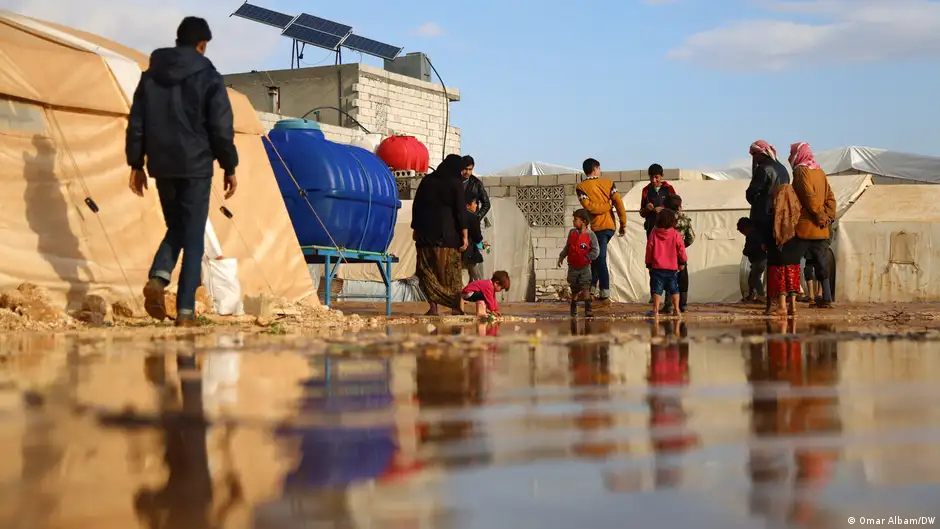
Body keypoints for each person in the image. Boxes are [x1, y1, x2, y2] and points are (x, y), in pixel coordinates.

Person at [127, 17, 238, 328]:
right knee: (193, 235)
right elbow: (220, 126)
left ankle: (159, 278)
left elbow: (137, 122)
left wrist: (136, 163)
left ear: (178, 41)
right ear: (202, 45)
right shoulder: (209, 77)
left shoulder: (150, 76)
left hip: (161, 165)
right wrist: (229, 165)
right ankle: (186, 310)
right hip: (197, 165)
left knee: (177, 224)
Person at [411, 154, 469, 316]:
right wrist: (465, 236)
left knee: (428, 272)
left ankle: (434, 307)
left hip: (425, 236)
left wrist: (415, 228)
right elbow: (460, 211)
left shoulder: (427, 181)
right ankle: (456, 307)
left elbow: (417, 207)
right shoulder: (455, 183)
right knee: (451, 275)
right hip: (447, 238)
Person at [790, 142, 836, 309]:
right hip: (822, 228)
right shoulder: (820, 171)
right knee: (821, 263)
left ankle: (790, 301)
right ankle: (826, 298)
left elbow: (808, 196)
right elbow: (830, 197)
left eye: (792, 152)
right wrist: (828, 216)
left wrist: (819, 215)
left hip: (805, 227)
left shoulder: (801, 171)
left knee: (793, 261)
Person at [575, 158, 626, 302]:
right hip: (610, 226)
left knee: (599, 258)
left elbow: (590, 207)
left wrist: (606, 206)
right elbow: (619, 204)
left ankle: (604, 291)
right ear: (596, 168)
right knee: (597, 257)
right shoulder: (608, 183)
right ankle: (592, 288)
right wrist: (623, 224)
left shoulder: (581, 187)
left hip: (598, 228)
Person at [765, 180, 803, 317]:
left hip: (778, 250)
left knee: (780, 274)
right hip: (795, 249)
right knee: (792, 274)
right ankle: (793, 306)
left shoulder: (774, 214)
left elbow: (769, 232)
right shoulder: (799, 212)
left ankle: (781, 306)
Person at [745, 140, 790, 248]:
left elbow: (752, 194)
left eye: (754, 153)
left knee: (761, 256)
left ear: (762, 153)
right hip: (781, 217)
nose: (753, 157)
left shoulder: (763, 169)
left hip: (764, 218)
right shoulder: (783, 169)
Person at [557, 209, 601, 318]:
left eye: (575, 219)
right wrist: (562, 256)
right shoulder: (572, 233)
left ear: (584, 222)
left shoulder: (591, 235)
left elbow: (596, 251)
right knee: (574, 288)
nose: (573, 222)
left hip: (585, 267)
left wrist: (586, 257)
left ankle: (588, 309)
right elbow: (568, 246)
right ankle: (573, 307)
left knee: (585, 286)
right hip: (572, 266)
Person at [645, 209, 687, 318]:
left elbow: (649, 248)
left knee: (656, 290)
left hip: (657, 267)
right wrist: (682, 262)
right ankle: (677, 310)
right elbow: (681, 249)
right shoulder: (676, 234)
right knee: (674, 289)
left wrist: (648, 263)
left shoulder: (654, 233)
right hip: (672, 267)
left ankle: (655, 310)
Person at [663, 195, 694, 313]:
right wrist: (682, 246)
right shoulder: (684, 219)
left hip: (667, 253)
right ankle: (683, 305)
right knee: (683, 278)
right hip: (680, 253)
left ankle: (669, 305)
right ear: (679, 206)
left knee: (669, 277)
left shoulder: (664, 219)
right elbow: (691, 237)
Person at [639, 164, 677, 238]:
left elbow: (676, 209)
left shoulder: (669, 189)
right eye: (651, 177)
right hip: (651, 230)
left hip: (667, 230)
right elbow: (642, 213)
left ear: (662, 175)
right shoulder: (645, 190)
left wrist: (663, 209)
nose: (653, 180)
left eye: (656, 177)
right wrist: (646, 209)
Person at [737, 217, 767, 302]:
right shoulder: (758, 234)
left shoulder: (751, 236)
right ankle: (752, 295)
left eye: (743, 232)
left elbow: (747, 249)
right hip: (760, 259)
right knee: (752, 278)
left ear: (746, 228)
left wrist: (745, 251)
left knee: (755, 278)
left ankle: (761, 296)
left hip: (759, 260)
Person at [462, 198, 488, 282]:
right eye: (474, 203)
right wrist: (482, 244)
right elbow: (477, 237)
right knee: (478, 279)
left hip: (462, 252)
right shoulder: (473, 217)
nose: (476, 205)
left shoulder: (459, 216)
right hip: (472, 252)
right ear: (468, 206)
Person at [460, 155, 490, 221]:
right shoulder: (455, 182)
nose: (467, 172)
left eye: (470, 169)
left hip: (471, 222)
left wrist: (477, 218)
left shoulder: (477, 183)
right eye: (465, 169)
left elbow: (486, 204)